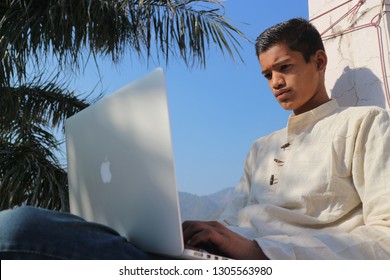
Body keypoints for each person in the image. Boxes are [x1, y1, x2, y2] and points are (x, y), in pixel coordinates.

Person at [1, 17, 390, 260]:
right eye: (267, 75)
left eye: (284, 68)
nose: (275, 83)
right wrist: (202, 236)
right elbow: (230, 222)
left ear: (318, 62)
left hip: (265, 265)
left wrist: (261, 251)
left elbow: (384, 241)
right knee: (34, 231)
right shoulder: (261, 148)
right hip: (213, 263)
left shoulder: (364, 125)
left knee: (21, 229)